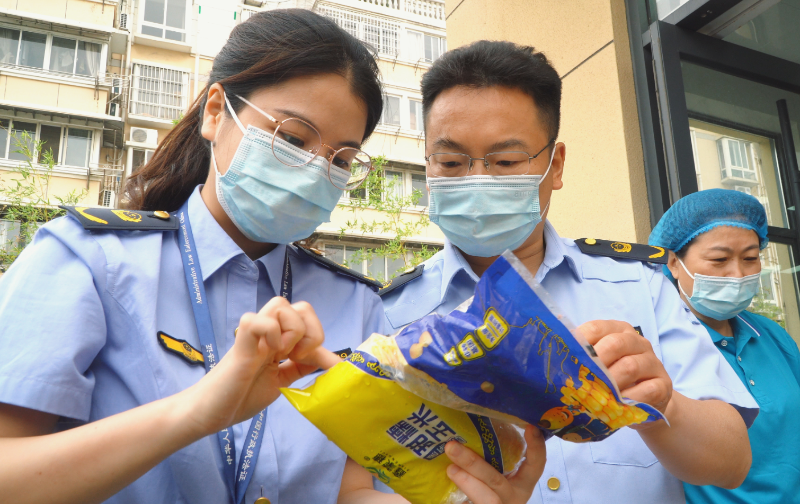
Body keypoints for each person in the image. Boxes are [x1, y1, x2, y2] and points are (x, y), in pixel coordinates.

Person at [0, 11, 544, 504]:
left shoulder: (354, 304)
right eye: (292, 136)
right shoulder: (89, 261)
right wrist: (193, 414)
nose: (314, 167)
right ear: (217, 112)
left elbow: (354, 489)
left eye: (340, 156)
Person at [379, 40, 760, 504]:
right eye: (452, 162)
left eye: (506, 161)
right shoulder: (389, 316)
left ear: (555, 165)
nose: (477, 180)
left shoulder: (638, 287)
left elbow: (731, 463)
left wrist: (663, 403)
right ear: (428, 167)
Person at [649, 188, 800, 503]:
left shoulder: (773, 336)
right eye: (720, 259)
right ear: (674, 262)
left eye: (750, 258)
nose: (738, 274)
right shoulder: (657, 344)